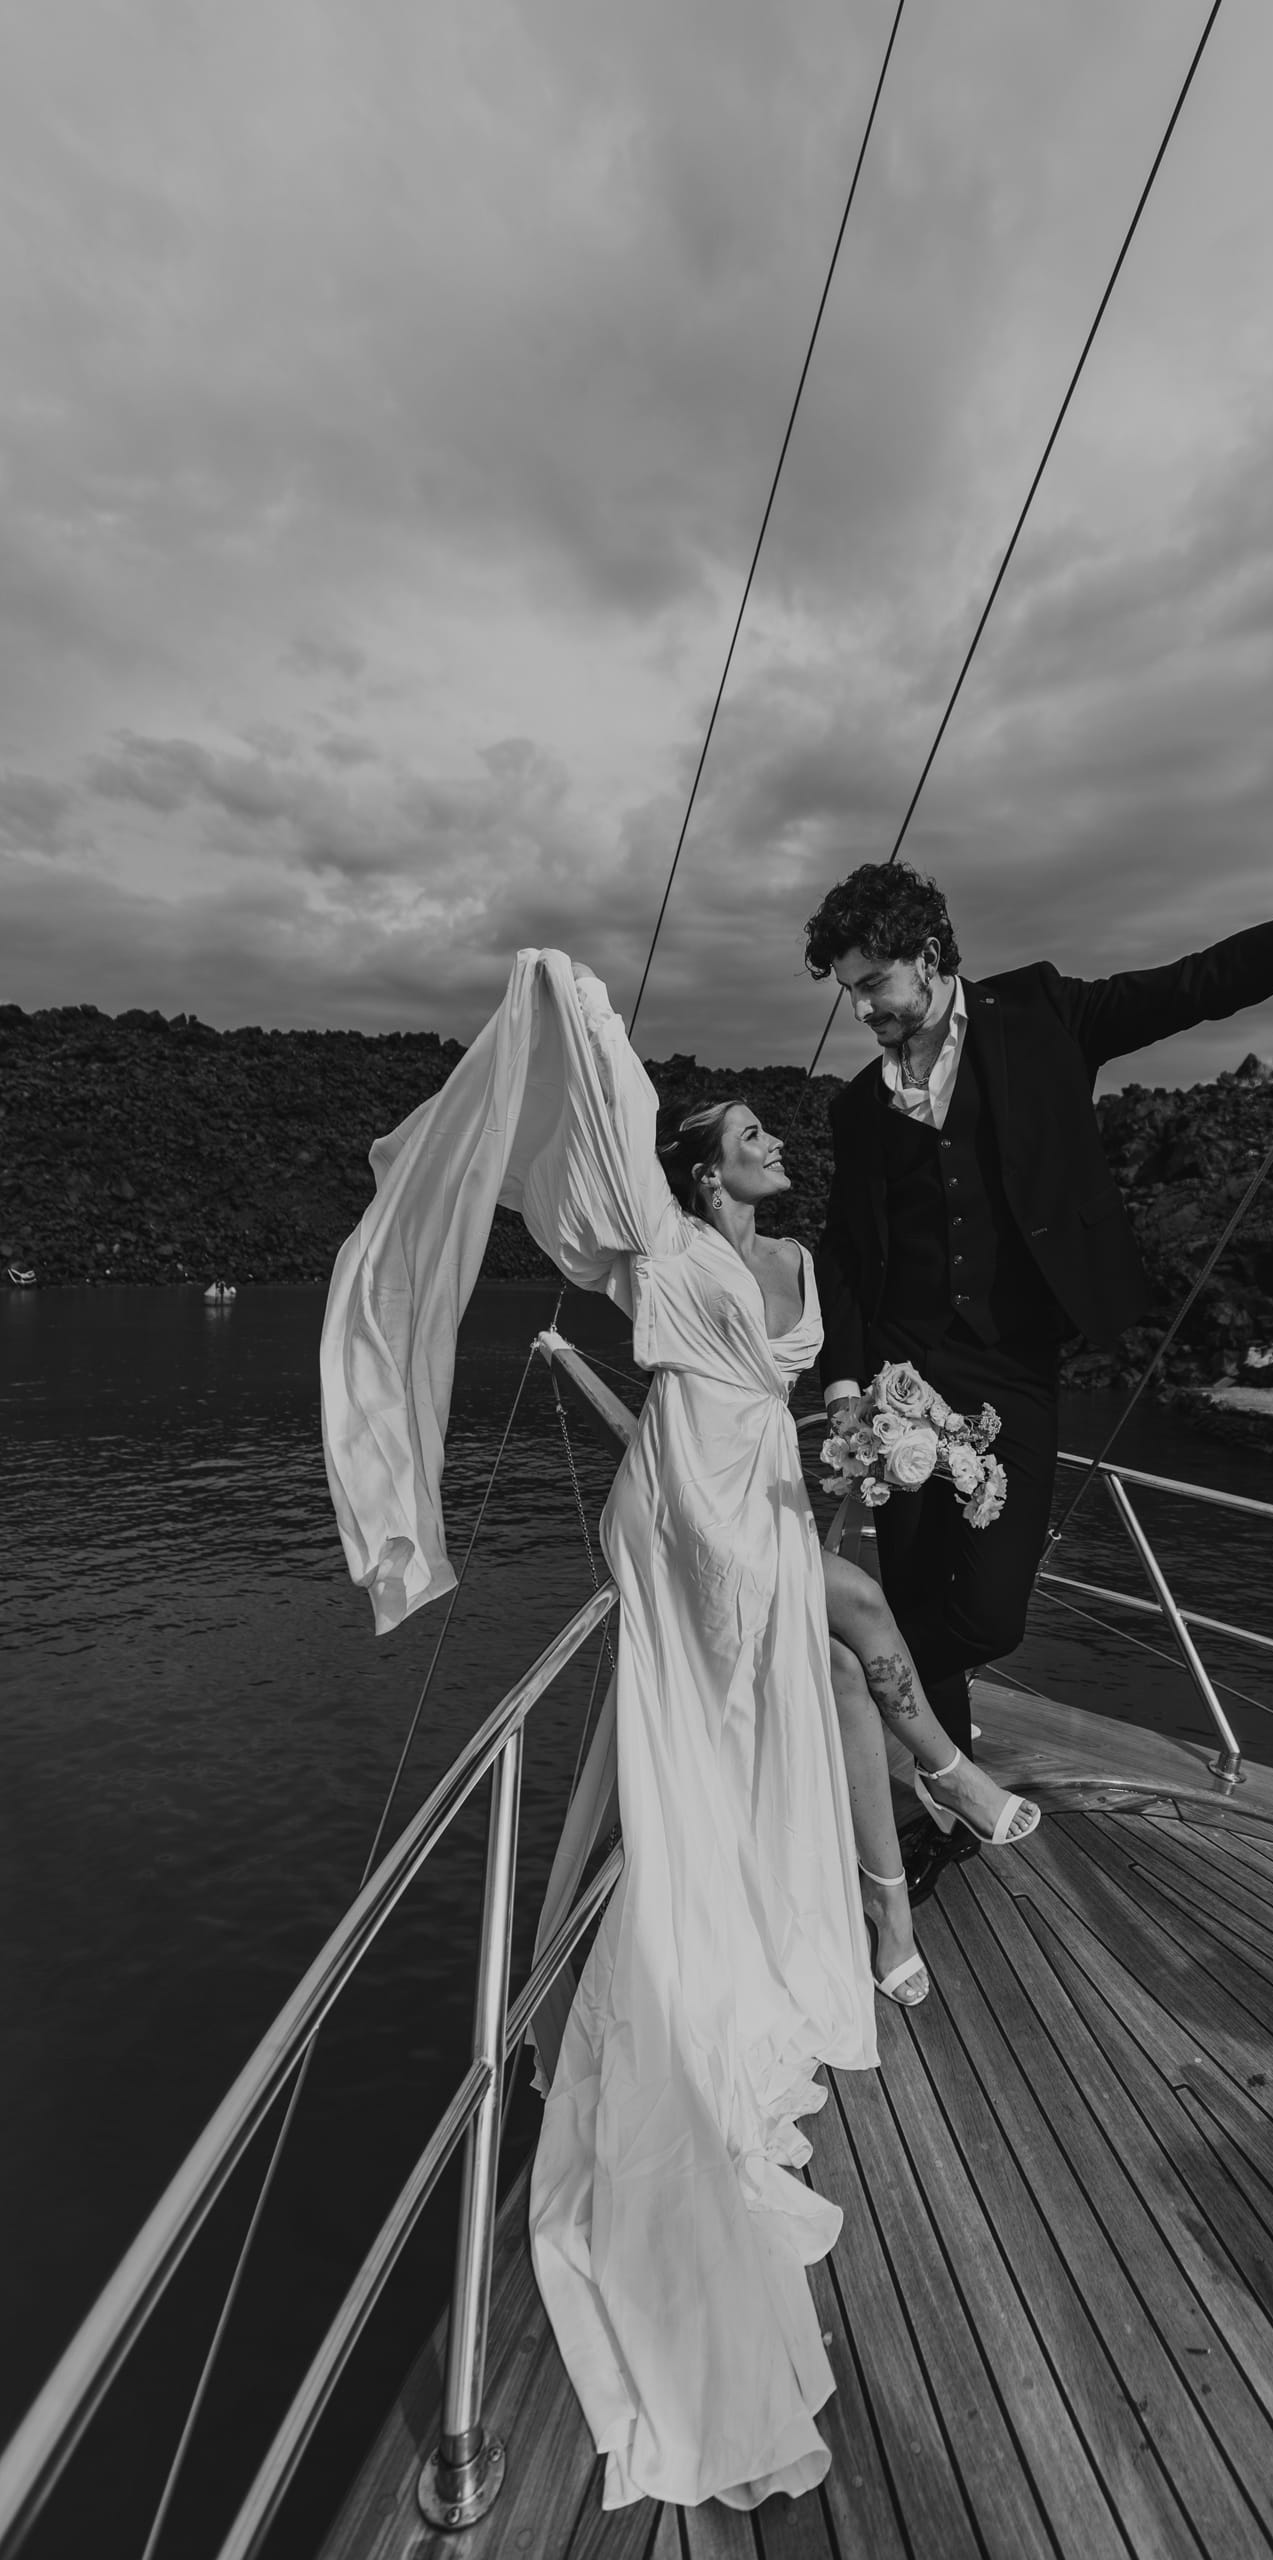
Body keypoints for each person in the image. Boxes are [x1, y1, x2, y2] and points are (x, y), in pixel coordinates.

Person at [319, 946, 1033, 2515]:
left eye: (771, 1138)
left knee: (818, 1671)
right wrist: (559, 984)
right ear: (700, 1174)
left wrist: (868, 1454)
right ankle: (918, 1848)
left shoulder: (803, 1267)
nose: (774, 1144)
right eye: (747, 1140)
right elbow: (599, 1077)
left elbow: (793, 1399)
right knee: (814, 1659)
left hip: (771, 1489)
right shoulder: (657, 1245)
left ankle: (886, 1876)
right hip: (686, 1514)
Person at [809, 812, 1273, 1757]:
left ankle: (820, 1684)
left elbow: (1202, 985)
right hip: (902, 1376)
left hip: (1011, 1365)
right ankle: (946, 1795)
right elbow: (843, 1256)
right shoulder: (857, 1108)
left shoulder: (1042, 1014)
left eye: (874, 985)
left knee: (988, 1616)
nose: (863, 1012)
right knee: (922, 1595)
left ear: (928, 956)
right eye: (849, 994)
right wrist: (847, 1389)